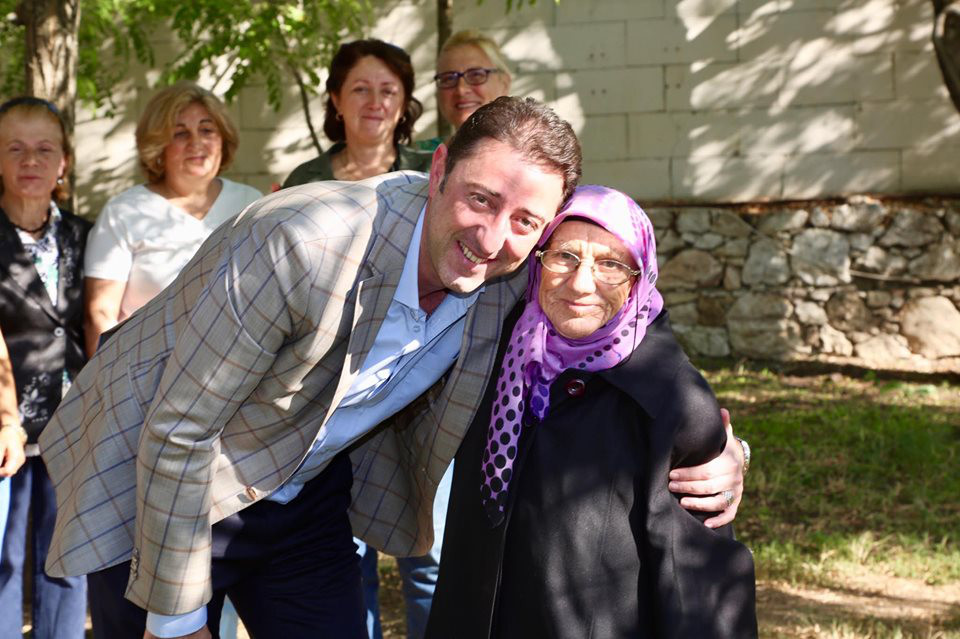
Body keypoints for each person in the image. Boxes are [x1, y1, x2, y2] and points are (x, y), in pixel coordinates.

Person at [40, 95, 579, 639]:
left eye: (525, 220)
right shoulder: (304, 241)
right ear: (438, 169)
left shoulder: (513, 275)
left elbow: (603, 304)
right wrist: (175, 623)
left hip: (304, 492)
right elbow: (180, 426)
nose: (491, 238)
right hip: (159, 482)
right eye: (480, 199)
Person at [426, 185, 758, 638]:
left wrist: (727, 449)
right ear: (537, 263)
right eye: (564, 256)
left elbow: (700, 593)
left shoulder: (669, 398)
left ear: (639, 279)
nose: (581, 283)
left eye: (611, 264)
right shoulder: (492, 352)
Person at [83, 82, 262, 355]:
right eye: (180, 133)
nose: (196, 142)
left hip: (238, 364)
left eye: (207, 130)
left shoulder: (250, 203)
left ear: (223, 139)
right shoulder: (124, 211)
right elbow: (101, 314)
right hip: (148, 366)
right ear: (158, 145)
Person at [0, 96, 90, 639]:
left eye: (44, 149)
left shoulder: (86, 234)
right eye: (15, 149)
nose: (30, 160)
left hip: (72, 423)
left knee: (67, 558)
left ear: (63, 162)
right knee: (5, 560)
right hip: (6, 425)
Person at [281, 39, 432, 189]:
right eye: (361, 89)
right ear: (337, 100)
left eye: (388, 91)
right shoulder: (303, 181)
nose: (375, 104)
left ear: (403, 104)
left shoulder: (432, 172)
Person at [417, 29, 513, 152]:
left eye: (476, 75)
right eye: (449, 78)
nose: (461, 89)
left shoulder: (529, 154)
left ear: (504, 83)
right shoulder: (417, 157)